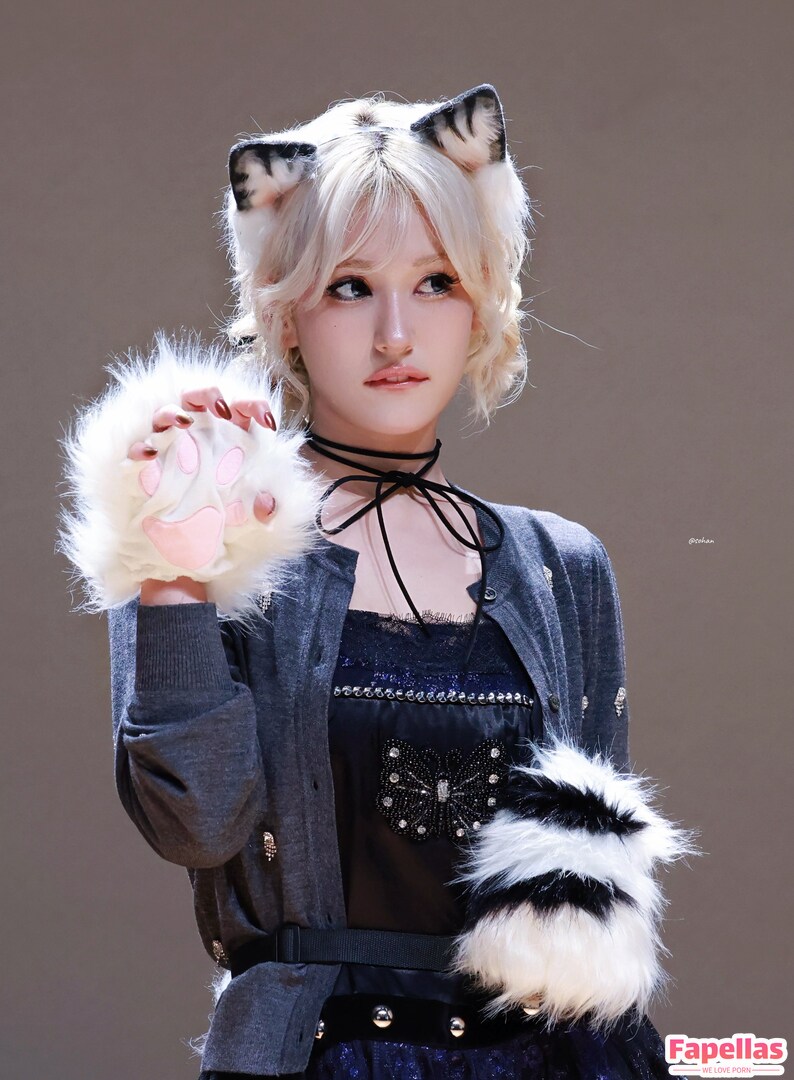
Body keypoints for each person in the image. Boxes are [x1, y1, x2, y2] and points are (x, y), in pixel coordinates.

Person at [61, 84, 696, 1078]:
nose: (397, 334)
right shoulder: (210, 534)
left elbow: (591, 919)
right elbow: (198, 824)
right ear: (285, 310)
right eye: (350, 287)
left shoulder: (561, 565)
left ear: (483, 297)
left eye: (436, 281)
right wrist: (176, 568)